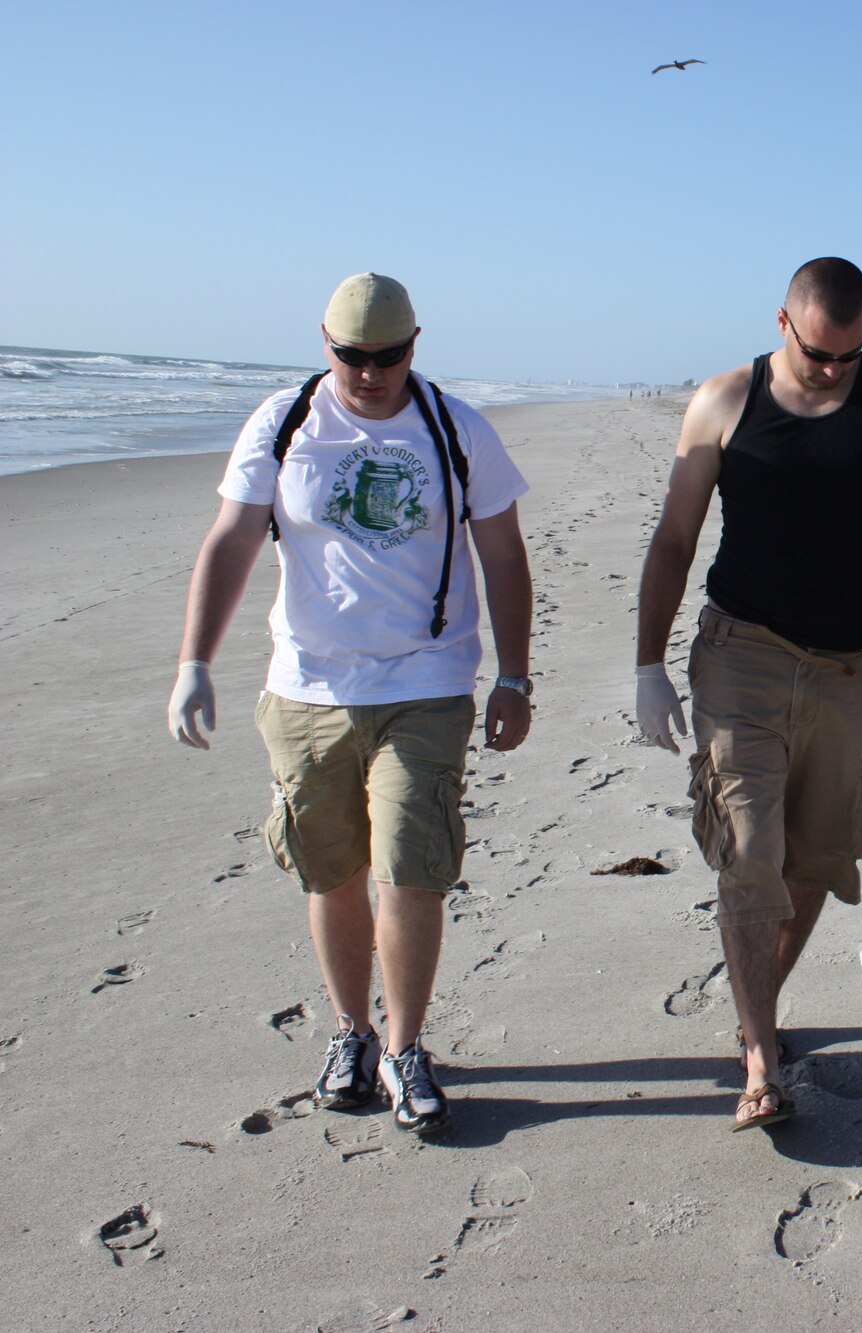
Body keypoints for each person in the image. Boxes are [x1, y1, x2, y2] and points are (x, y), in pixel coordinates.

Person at [167, 273, 534, 1135]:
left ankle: (407, 1050)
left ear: (416, 344)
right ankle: (351, 1034)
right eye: (352, 356)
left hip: (426, 683)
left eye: (389, 355)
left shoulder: (456, 428)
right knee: (331, 869)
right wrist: (195, 660)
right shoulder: (283, 423)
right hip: (307, 686)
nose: (370, 373)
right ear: (323, 343)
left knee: (411, 864)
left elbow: (506, 558)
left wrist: (513, 676)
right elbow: (229, 540)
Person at [635, 257, 862, 1132]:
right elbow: (676, 537)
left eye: (850, 355)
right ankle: (759, 1060)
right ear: (783, 323)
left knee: (819, 854)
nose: (833, 371)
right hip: (740, 651)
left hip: (853, 665)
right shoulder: (721, 402)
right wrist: (648, 665)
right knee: (750, 847)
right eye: (819, 353)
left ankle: (759, 1004)